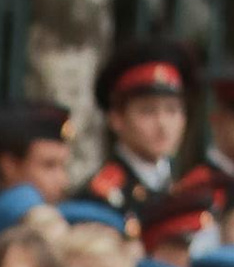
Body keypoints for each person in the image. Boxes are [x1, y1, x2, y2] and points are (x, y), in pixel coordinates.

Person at [81, 43, 196, 227]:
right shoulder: (102, 196)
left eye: (172, 110)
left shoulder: (186, 190)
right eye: (147, 111)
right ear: (117, 118)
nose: (163, 125)